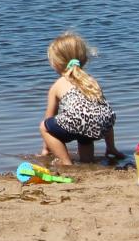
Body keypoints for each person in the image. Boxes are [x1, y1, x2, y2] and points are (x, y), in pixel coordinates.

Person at [39, 33, 120, 167]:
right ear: (83, 58)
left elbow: (48, 119)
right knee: (86, 129)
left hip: (80, 122)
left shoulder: (57, 85)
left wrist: (46, 149)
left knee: (44, 127)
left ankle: (66, 162)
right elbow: (103, 110)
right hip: (103, 123)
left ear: (56, 63)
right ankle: (90, 160)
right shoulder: (90, 81)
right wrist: (111, 146)